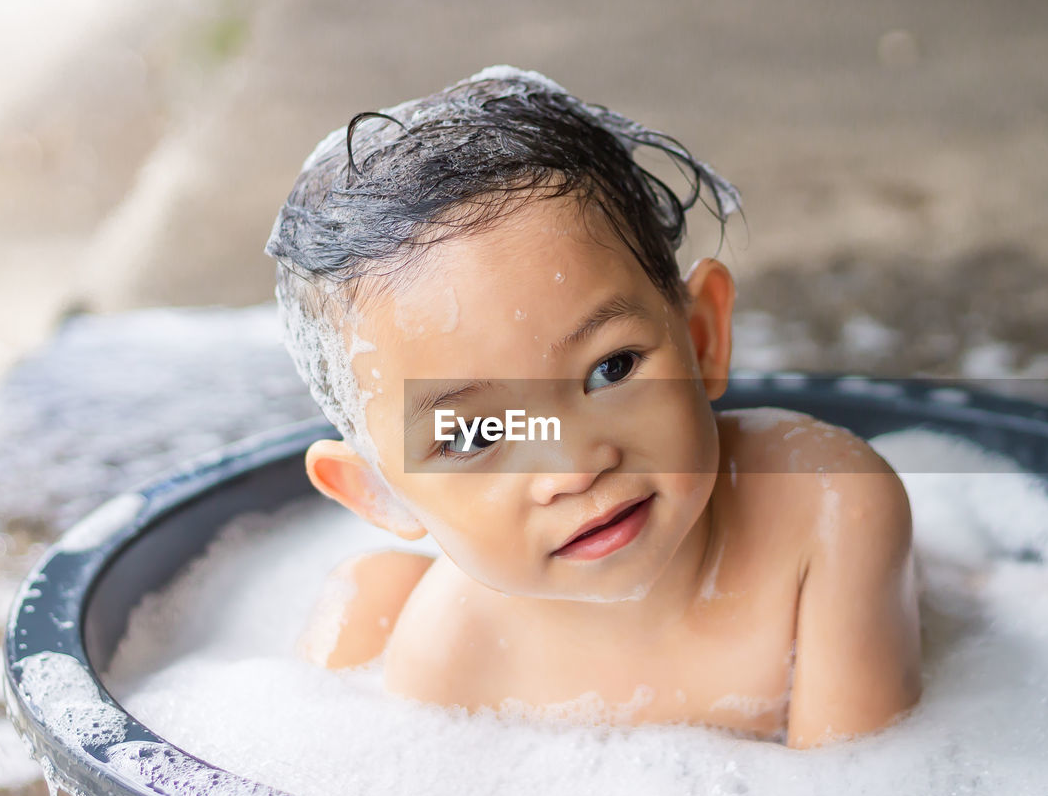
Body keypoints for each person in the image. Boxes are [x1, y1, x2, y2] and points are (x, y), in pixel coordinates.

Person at [264, 66, 920, 748]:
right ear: (378, 493)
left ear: (701, 340)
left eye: (611, 369)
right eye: (476, 434)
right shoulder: (450, 656)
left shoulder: (826, 509)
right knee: (360, 613)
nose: (575, 466)